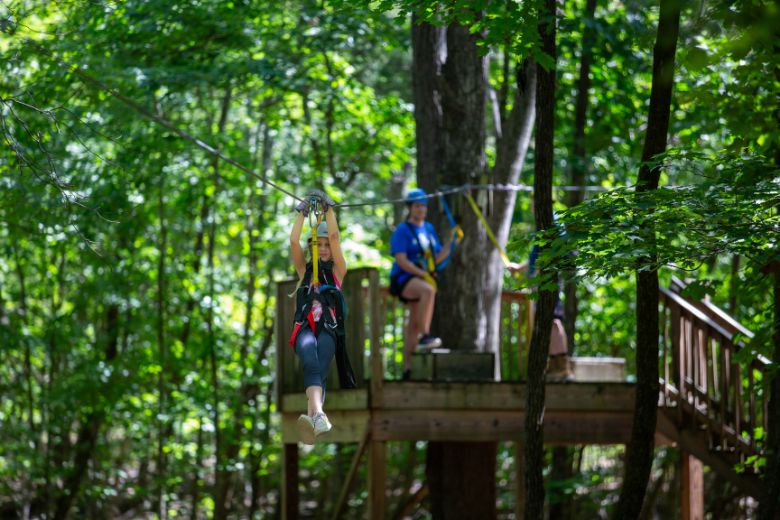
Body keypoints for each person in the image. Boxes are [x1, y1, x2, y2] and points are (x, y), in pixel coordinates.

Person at [289, 191, 348, 445]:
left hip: (328, 329)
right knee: (311, 362)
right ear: (312, 247)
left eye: (326, 245)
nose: (323, 249)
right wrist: (303, 214)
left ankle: (314, 416)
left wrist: (329, 211)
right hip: (304, 327)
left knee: (319, 369)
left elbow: (334, 236)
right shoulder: (304, 271)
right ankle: (318, 414)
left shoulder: (338, 271)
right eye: (318, 245)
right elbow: (293, 242)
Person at [389, 188, 455, 381]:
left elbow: (436, 257)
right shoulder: (403, 230)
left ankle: (408, 369)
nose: (421, 210)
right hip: (403, 279)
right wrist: (422, 273)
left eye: (424, 206)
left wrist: (451, 243)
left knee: (412, 326)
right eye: (417, 206)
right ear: (410, 208)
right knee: (428, 289)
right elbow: (401, 260)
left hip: (421, 275)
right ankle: (426, 335)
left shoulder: (428, 229)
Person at [508, 244, 574, 382]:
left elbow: (556, 255)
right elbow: (534, 259)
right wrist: (520, 268)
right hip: (541, 284)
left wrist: (542, 274)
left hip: (548, 282)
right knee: (547, 322)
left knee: (553, 321)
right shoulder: (540, 233)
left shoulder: (552, 226)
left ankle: (562, 367)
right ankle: (554, 364)